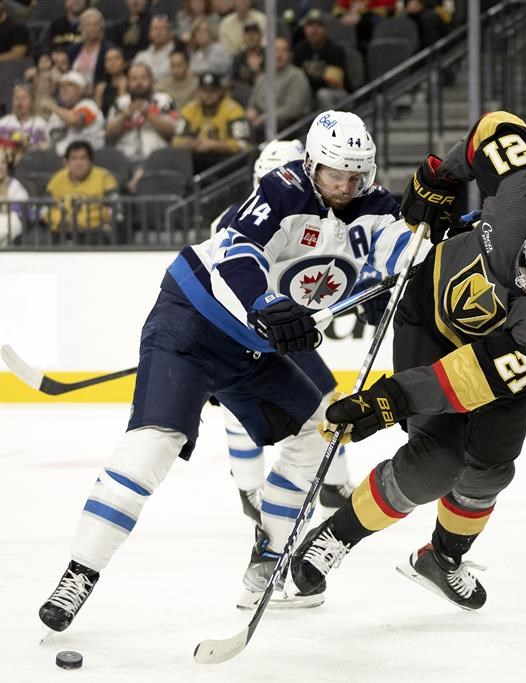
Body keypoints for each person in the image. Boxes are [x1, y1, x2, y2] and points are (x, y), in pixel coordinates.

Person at [38, 110, 420, 632]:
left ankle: (267, 559)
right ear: (312, 165)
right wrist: (264, 302)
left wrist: (440, 244)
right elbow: (238, 249)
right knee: (157, 442)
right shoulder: (284, 188)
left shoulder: (372, 207)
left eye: (358, 174)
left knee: (318, 429)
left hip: (250, 349)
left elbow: (402, 252)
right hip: (191, 323)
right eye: (337, 174)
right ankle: (78, 575)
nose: (348, 185)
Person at [288, 111, 526, 611]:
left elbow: (469, 379)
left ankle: (443, 557)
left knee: (491, 469)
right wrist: (442, 173)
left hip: (491, 362)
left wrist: (391, 399)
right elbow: (497, 127)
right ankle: (335, 538)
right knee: (436, 462)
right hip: (428, 320)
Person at [208, 139, 362, 525]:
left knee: (325, 401)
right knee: (238, 409)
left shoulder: (317, 219)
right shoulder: (234, 221)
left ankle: (333, 482)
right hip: (242, 333)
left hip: (287, 330)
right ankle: (248, 489)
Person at [42, 140, 119, 243]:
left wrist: (80, 221)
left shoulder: (104, 178)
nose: (79, 163)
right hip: (62, 229)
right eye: (74, 159)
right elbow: (44, 209)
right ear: (66, 162)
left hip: (93, 231)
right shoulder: (57, 179)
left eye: (83, 158)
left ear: (91, 161)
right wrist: (62, 220)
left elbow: (114, 211)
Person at [173, 72, 250, 172]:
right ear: (198, 92)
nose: (208, 95)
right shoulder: (190, 109)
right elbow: (175, 141)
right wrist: (190, 143)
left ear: (220, 91)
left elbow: (243, 145)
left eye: (212, 91)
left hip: (226, 162)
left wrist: (214, 145)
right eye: (204, 91)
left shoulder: (233, 110)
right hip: (196, 159)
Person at [105, 63, 178, 167]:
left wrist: (148, 114)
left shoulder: (164, 100)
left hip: (158, 160)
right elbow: (109, 134)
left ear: (152, 80)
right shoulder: (120, 103)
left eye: (143, 78)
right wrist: (124, 116)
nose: (139, 82)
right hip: (125, 162)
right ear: (128, 82)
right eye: (134, 79)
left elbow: (173, 131)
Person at [247, 37, 313, 133]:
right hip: (262, 123)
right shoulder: (263, 77)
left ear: (290, 55)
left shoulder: (296, 76)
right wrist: (251, 112)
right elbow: (252, 103)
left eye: (284, 51)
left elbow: (293, 109)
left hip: (287, 127)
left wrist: (264, 118)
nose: (279, 55)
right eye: (275, 50)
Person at [40, 71, 106, 157]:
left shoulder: (89, 106)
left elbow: (74, 120)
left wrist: (53, 107)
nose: (64, 89)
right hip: (61, 161)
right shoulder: (57, 114)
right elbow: (50, 140)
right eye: (61, 86)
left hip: (89, 160)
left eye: (70, 85)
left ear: (81, 89)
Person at [0, 84, 50, 152]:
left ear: (32, 102)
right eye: (17, 98)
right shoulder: (3, 123)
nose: (19, 102)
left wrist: (27, 142)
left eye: (24, 98)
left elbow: (48, 147)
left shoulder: (41, 125)